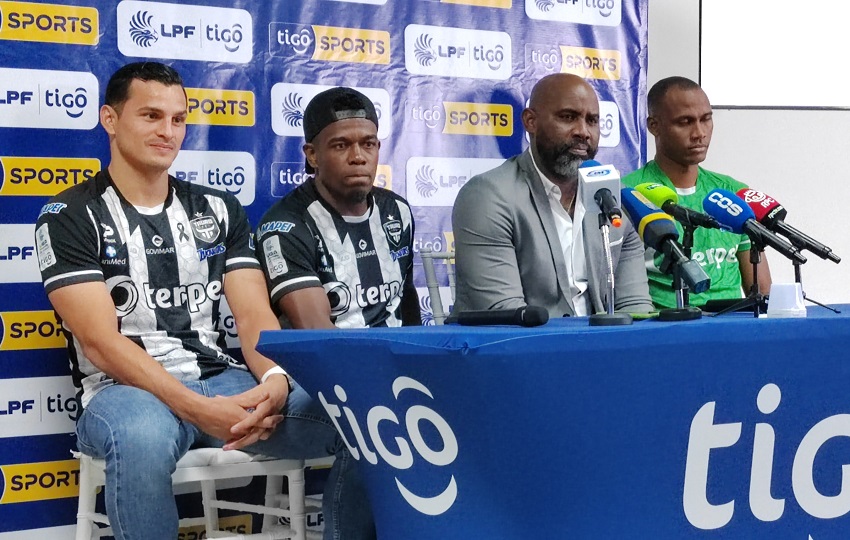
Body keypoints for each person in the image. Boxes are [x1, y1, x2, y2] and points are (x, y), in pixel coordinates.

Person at [34, 62, 373, 540]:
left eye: (177, 119)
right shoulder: (69, 213)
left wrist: (275, 379)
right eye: (151, 116)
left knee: (359, 417)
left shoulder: (216, 208)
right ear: (110, 120)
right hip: (123, 392)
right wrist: (196, 408)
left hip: (220, 380)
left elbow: (254, 314)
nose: (167, 132)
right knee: (143, 438)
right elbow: (101, 343)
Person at [451, 73, 653, 318]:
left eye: (592, 121)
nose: (583, 132)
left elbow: (636, 306)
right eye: (568, 117)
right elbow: (506, 315)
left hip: (601, 347)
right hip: (522, 348)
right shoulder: (488, 196)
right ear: (531, 121)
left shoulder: (614, 200)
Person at [256, 87, 420, 328]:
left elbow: (407, 304)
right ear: (312, 155)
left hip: (400, 361)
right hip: (332, 362)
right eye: (341, 146)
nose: (358, 157)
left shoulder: (396, 211)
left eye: (368, 144)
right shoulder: (286, 227)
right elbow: (317, 334)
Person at [622, 76, 771, 309]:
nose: (699, 132)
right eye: (685, 122)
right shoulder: (629, 194)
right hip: (663, 330)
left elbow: (762, 291)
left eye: (706, 119)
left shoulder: (732, 192)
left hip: (732, 328)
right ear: (654, 126)